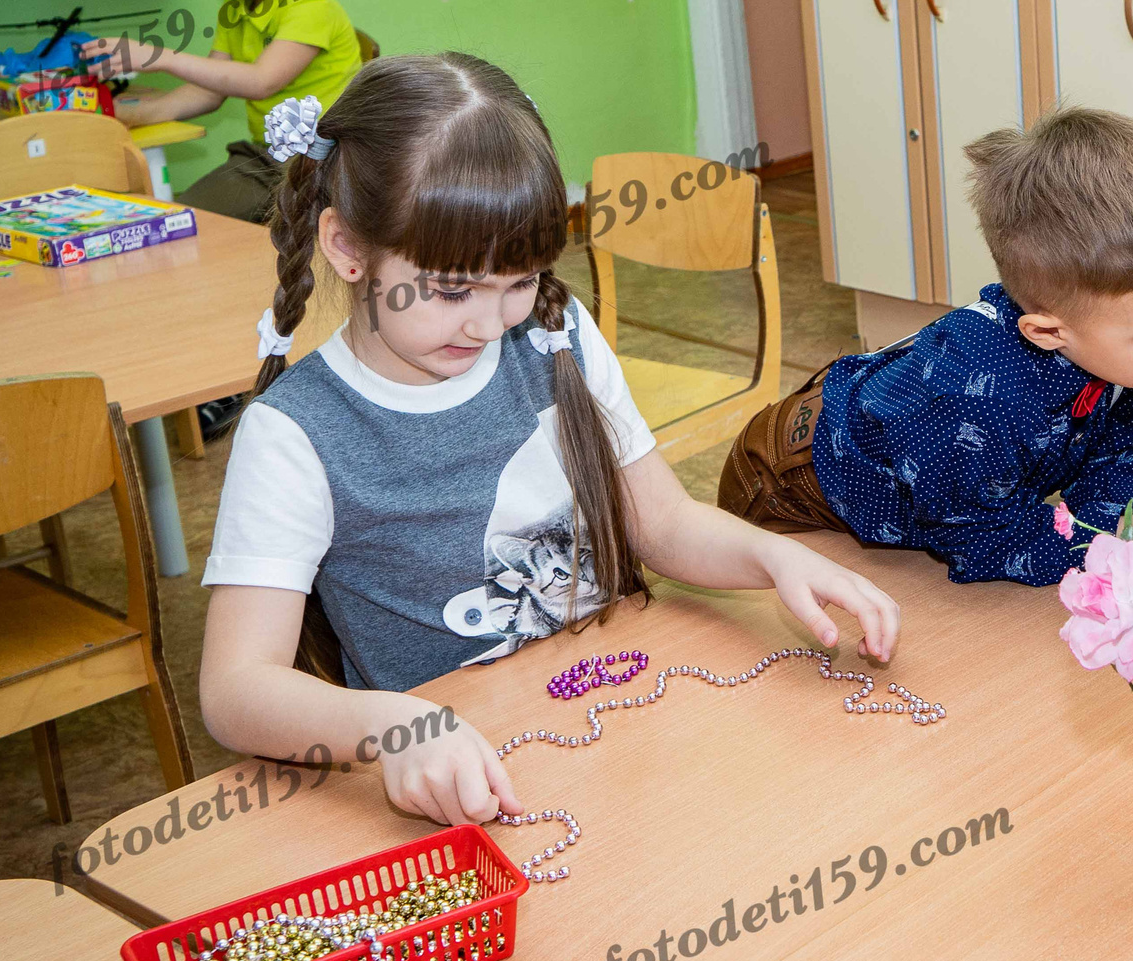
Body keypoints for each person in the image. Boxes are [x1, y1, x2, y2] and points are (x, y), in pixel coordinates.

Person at [198, 54, 899, 829]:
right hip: (472, 787)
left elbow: (660, 522)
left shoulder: (555, 334)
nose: (488, 321)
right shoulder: (295, 434)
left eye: (520, 280)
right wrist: (388, 730)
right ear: (346, 248)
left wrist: (773, 555)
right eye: (453, 288)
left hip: (628, 731)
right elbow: (236, 687)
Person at [717, 106, 1133, 584]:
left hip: (939, 482)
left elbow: (1104, 456)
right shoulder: (978, 401)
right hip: (784, 488)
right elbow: (989, 544)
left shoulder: (1119, 353)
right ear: (1049, 332)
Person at [84, 0, 367, 223]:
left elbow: (261, 80)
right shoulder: (235, 8)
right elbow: (209, 91)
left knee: (199, 227)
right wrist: (123, 117)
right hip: (267, 159)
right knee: (187, 215)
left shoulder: (311, 7)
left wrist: (160, 57)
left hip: (326, 165)